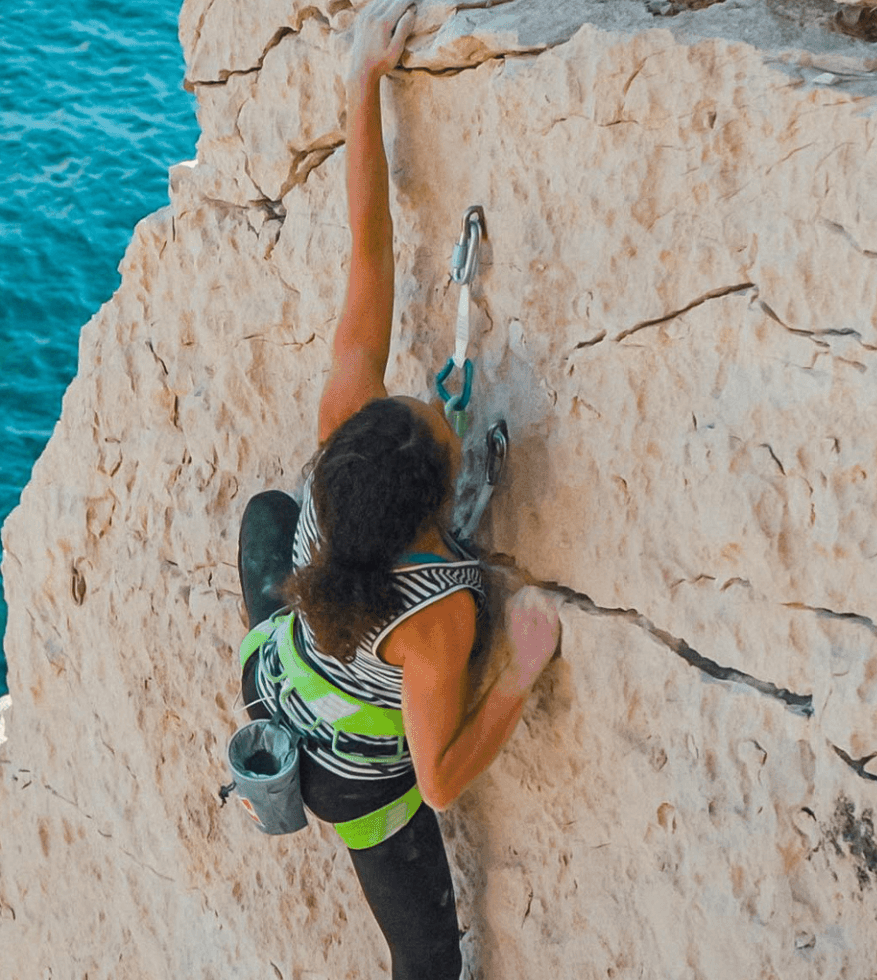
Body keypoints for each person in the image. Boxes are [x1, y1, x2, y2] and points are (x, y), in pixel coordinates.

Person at [231, 0, 566, 976]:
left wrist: (362, 81)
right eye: (439, 426)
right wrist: (518, 670)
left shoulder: (342, 419)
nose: (432, 400)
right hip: (352, 779)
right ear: (433, 515)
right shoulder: (439, 616)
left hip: (275, 672)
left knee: (265, 516)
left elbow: (368, 248)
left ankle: (297, 680)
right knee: (430, 959)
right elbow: (442, 778)